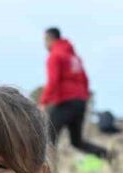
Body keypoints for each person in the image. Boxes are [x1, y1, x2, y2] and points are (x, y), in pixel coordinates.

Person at [40, 27, 110, 161]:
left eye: (45, 40)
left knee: (48, 139)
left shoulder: (55, 56)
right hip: (80, 102)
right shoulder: (74, 57)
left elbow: (53, 81)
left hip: (66, 102)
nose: (44, 44)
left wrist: (44, 102)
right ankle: (107, 155)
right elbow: (85, 79)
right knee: (77, 141)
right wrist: (83, 99)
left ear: (50, 39)